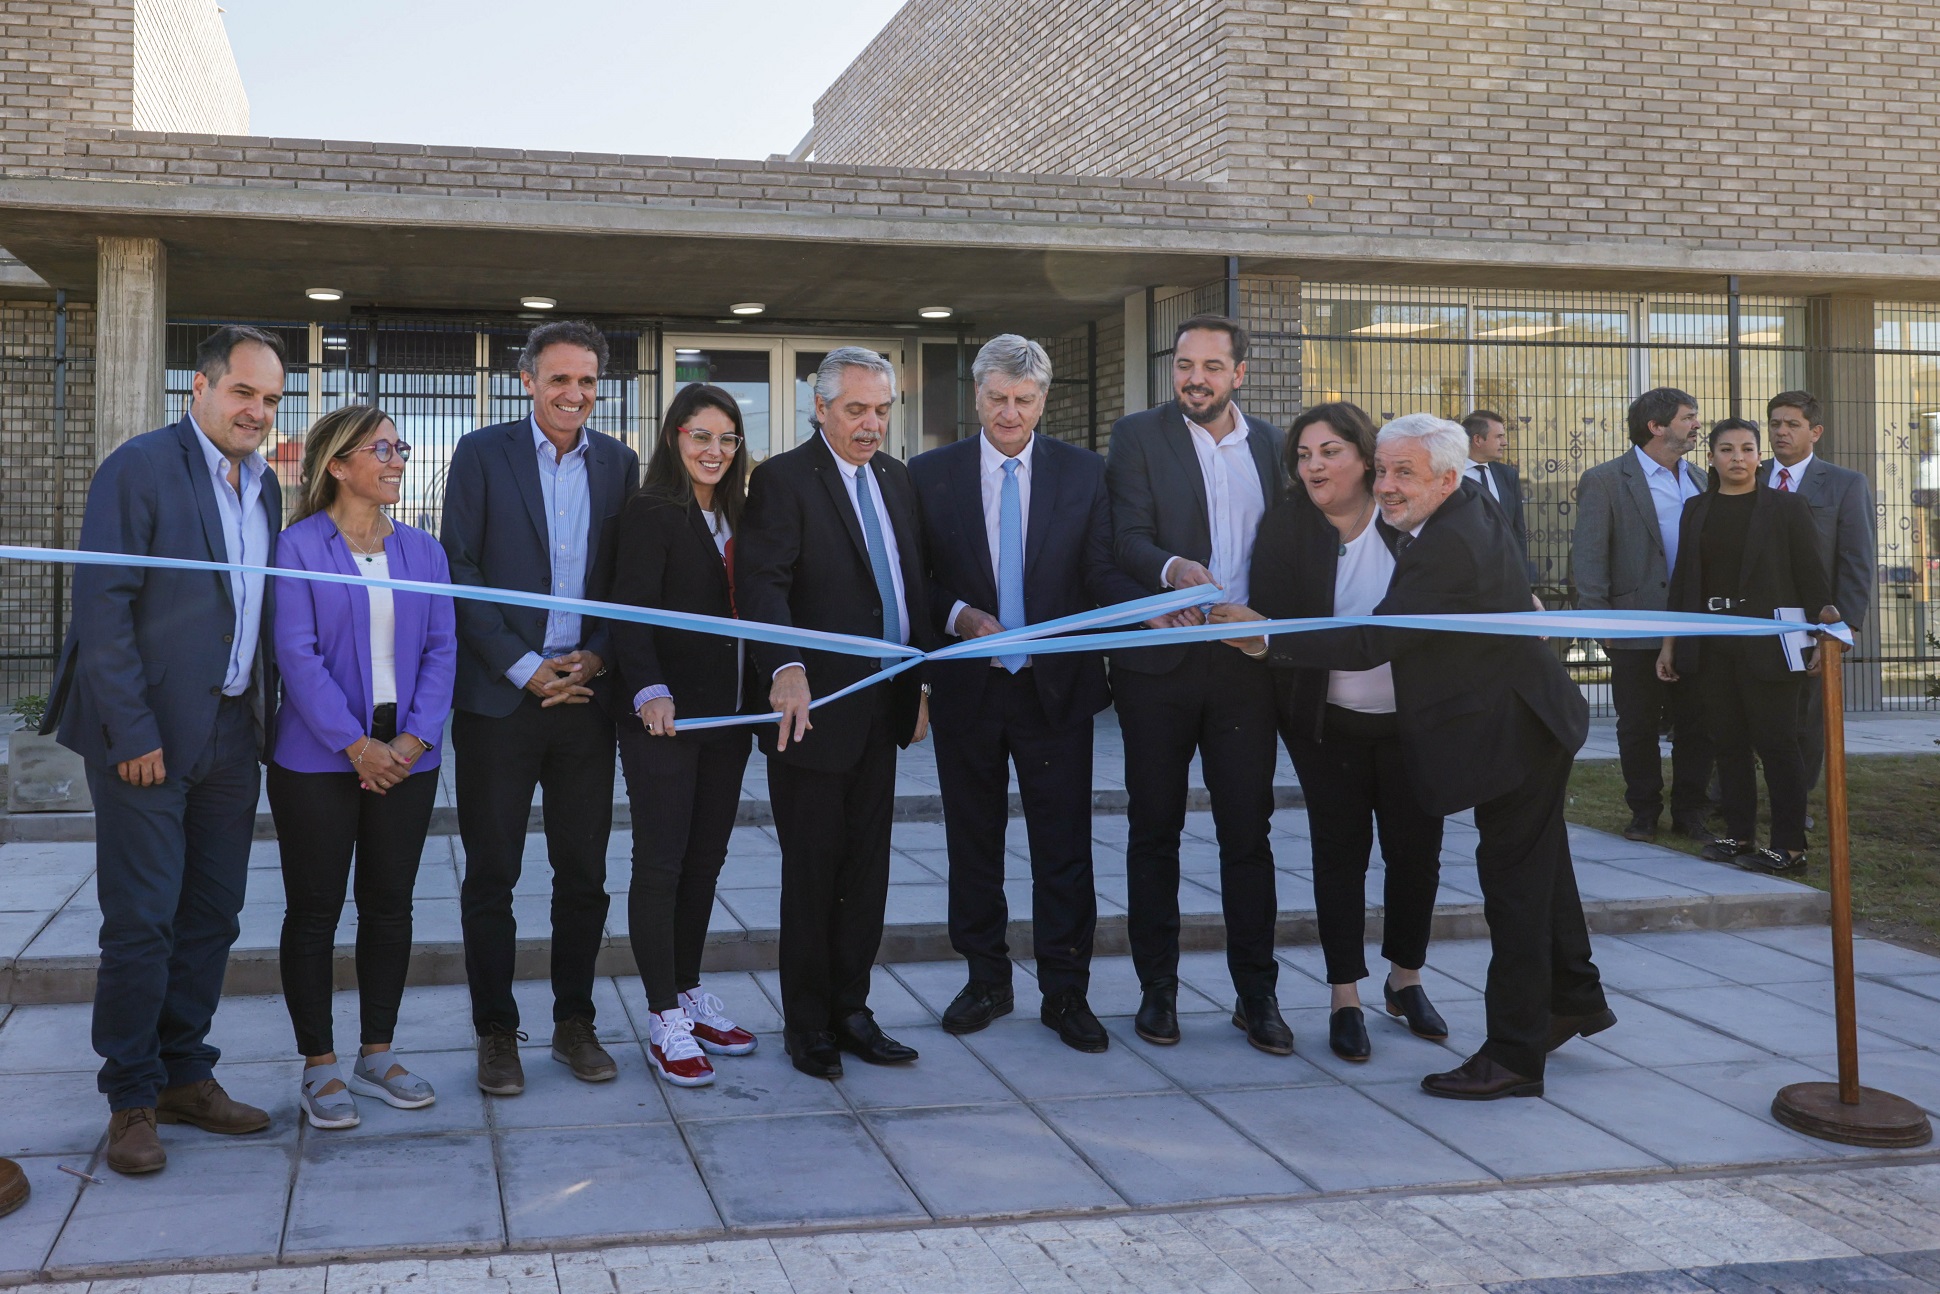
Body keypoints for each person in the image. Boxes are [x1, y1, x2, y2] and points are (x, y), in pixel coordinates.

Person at [1214, 413, 1610, 1100]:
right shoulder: (1460, 510)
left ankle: (1515, 1054)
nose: (1388, 487)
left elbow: (1372, 642)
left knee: (1514, 890)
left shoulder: (1446, 544)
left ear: (1447, 479)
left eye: (1405, 474)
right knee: (1545, 876)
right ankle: (1574, 997)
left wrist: (1267, 639)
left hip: (1512, 731)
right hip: (1528, 719)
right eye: (1386, 469)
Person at [43, 325, 287, 1173]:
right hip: (145, 735)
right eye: (243, 393)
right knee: (142, 919)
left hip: (230, 733)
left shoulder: (265, 488)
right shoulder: (139, 466)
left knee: (212, 916)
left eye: (269, 399)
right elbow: (102, 608)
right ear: (202, 387)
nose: (256, 411)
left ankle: (187, 1074)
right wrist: (131, 732)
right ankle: (132, 1098)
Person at [909, 335, 1150, 1053]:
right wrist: (957, 617)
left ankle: (1065, 990)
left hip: (1058, 695)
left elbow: (1100, 570)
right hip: (968, 691)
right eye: (996, 398)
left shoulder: (1084, 473)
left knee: (1064, 846)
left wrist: (1147, 607)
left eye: (1024, 399)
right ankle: (986, 979)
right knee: (972, 842)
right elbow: (914, 578)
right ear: (976, 396)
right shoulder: (930, 474)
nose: (1009, 412)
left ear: (1044, 400)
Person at [441, 320, 640, 1097]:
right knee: (492, 873)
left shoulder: (619, 465)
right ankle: (496, 1033)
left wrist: (595, 655)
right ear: (527, 381)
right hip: (502, 698)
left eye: (587, 381)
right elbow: (458, 567)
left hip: (585, 699)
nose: (574, 394)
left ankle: (574, 1023)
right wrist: (525, 668)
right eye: (559, 379)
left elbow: (629, 581)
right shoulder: (481, 454)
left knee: (583, 874)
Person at [1222, 402, 1447, 1063]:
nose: (1314, 465)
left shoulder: (1406, 516)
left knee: (1416, 855)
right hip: (1328, 727)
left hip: (1412, 724)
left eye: (1330, 452)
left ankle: (1405, 980)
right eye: (1304, 455)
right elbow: (1275, 628)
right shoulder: (1289, 528)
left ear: (1365, 457)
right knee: (1339, 858)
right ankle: (1344, 996)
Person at [737, 347, 939, 1080]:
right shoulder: (784, 480)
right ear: (820, 409)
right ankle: (809, 1025)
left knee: (868, 873)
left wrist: (918, 686)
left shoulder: (896, 479)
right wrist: (785, 671)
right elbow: (762, 586)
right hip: (813, 712)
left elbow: (910, 585)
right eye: (856, 410)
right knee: (815, 874)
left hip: (883, 708)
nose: (871, 424)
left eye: (882, 410)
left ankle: (853, 1012)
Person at [1105, 313, 1292, 1055]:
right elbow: (1124, 536)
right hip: (1161, 665)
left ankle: (1258, 995)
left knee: (1249, 835)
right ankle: (1158, 992)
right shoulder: (1137, 437)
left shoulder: (1275, 447)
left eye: (1212, 366)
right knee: (1155, 831)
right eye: (1185, 364)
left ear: (1238, 374)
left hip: (1245, 668)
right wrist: (1168, 571)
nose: (1195, 378)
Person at [269, 404, 456, 1129]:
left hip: (406, 758)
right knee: (314, 911)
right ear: (338, 464)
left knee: (389, 904)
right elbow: (298, 655)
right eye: (382, 449)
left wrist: (411, 742)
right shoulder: (298, 546)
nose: (397, 459)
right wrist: (356, 746)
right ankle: (319, 1066)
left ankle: (376, 1052)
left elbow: (442, 648)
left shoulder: (424, 551)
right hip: (319, 759)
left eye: (400, 447)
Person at [609, 384, 760, 1088]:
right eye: (701, 436)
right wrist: (648, 687)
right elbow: (628, 610)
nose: (714, 451)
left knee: (705, 862)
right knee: (661, 864)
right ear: (675, 439)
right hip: (664, 721)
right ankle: (664, 1013)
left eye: (727, 439)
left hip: (730, 721)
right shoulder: (650, 511)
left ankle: (692, 989)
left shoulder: (738, 512)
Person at [1657, 417, 1839, 875]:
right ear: (1712, 457)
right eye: (1726, 449)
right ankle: (1740, 835)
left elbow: (1812, 576)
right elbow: (1684, 582)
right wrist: (1669, 644)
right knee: (1729, 742)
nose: (1737, 458)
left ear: (1759, 456)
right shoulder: (1696, 509)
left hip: (1771, 643)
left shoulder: (1786, 507)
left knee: (1777, 744)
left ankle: (1789, 846)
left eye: (1746, 448)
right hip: (1714, 642)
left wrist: (1821, 635)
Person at [1572, 388, 1713, 844]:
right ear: (1657, 427)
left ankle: (1690, 812)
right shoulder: (1607, 480)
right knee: (1637, 725)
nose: (1696, 425)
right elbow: (1590, 556)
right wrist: (1600, 623)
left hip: (1694, 625)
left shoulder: (1701, 480)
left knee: (1696, 722)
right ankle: (1644, 813)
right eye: (1689, 418)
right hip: (1633, 623)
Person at [1764, 390, 1874, 801]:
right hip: (1753, 617)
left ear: (1816, 432)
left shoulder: (1845, 484)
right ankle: (1727, 799)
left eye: (1792, 424)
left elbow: (1855, 559)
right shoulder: (1750, 476)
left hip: (1814, 620)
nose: (1781, 432)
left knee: (1807, 719)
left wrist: (1841, 626)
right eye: (1775, 423)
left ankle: (1797, 800)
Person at [1460, 409, 1529, 562]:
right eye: (1499, 436)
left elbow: (1517, 530)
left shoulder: (1507, 475)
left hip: (1503, 571)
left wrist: (1521, 575)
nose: (1505, 442)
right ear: (1477, 440)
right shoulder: (1450, 476)